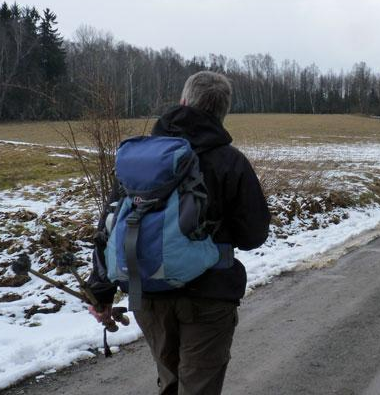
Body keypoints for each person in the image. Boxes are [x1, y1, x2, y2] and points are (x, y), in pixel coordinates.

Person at [87, 71, 270, 394]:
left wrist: (100, 293)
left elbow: (111, 225)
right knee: (198, 386)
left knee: (169, 382)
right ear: (222, 112)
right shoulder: (230, 161)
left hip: (148, 295)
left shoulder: (141, 158)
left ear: (183, 101)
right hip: (209, 297)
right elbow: (253, 235)